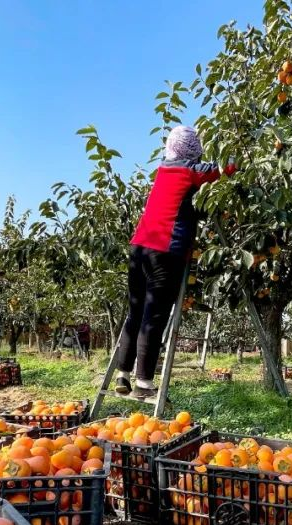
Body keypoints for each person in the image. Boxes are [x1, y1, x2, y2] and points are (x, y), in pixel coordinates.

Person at [114, 125, 235, 399]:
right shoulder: (192, 171)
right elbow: (226, 167)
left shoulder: (163, 170)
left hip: (139, 248)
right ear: (193, 149)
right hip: (166, 250)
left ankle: (122, 375)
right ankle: (144, 384)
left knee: (135, 314)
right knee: (153, 317)